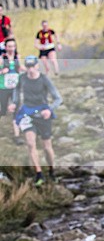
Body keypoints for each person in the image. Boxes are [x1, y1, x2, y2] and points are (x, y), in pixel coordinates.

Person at [10, 55, 62, 185]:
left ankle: (51, 170)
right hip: (27, 113)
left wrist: (49, 109)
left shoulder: (44, 79)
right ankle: (39, 175)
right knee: (30, 143)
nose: (30, 69)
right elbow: (16, 91)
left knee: (47, 148)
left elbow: (58, 98)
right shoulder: (22, 78)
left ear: (37, 66)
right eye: (28, 67)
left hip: (43, 114)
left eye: (33, 66)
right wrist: (14, 103)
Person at [0, 38, 24, 144]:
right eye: (9, 46)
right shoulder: (1, 58)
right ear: (5, 48)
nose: (11, 48)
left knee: (16, 110)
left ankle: (17, 136)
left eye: (13, 46)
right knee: (2, 111)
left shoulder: (17, 57)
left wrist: (28, 69)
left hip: (15, 88)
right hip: (3, 88)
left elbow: (21, 67)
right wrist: (1, 71)